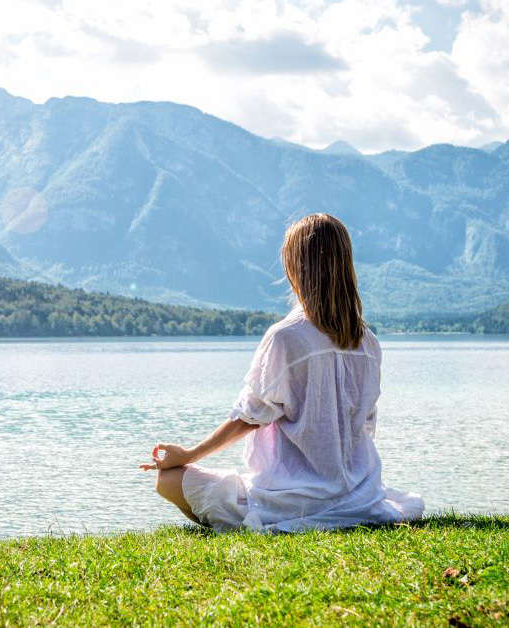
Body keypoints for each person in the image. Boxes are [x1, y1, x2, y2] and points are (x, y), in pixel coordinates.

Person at [140, 213, 424, 531]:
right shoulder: (368, 342)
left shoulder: (286, 336)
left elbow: (250, 416)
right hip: (359, 494)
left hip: (294, 499)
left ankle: (246, 524)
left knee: (167, 480)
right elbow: (366, 426)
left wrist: (189, 454)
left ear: (295, 267)